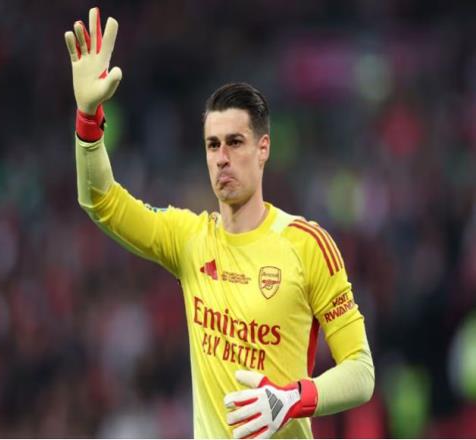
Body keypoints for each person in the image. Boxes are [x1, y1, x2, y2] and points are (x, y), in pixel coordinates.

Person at [64, 8, 374, 439]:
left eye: (235, 142)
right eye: (213, 145)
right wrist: (87, 116)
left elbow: (361, 372)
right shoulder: (189, 239)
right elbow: (100, 200)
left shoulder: (307, 246)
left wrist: (290, 398)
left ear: (263, 149)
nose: (222, 158)